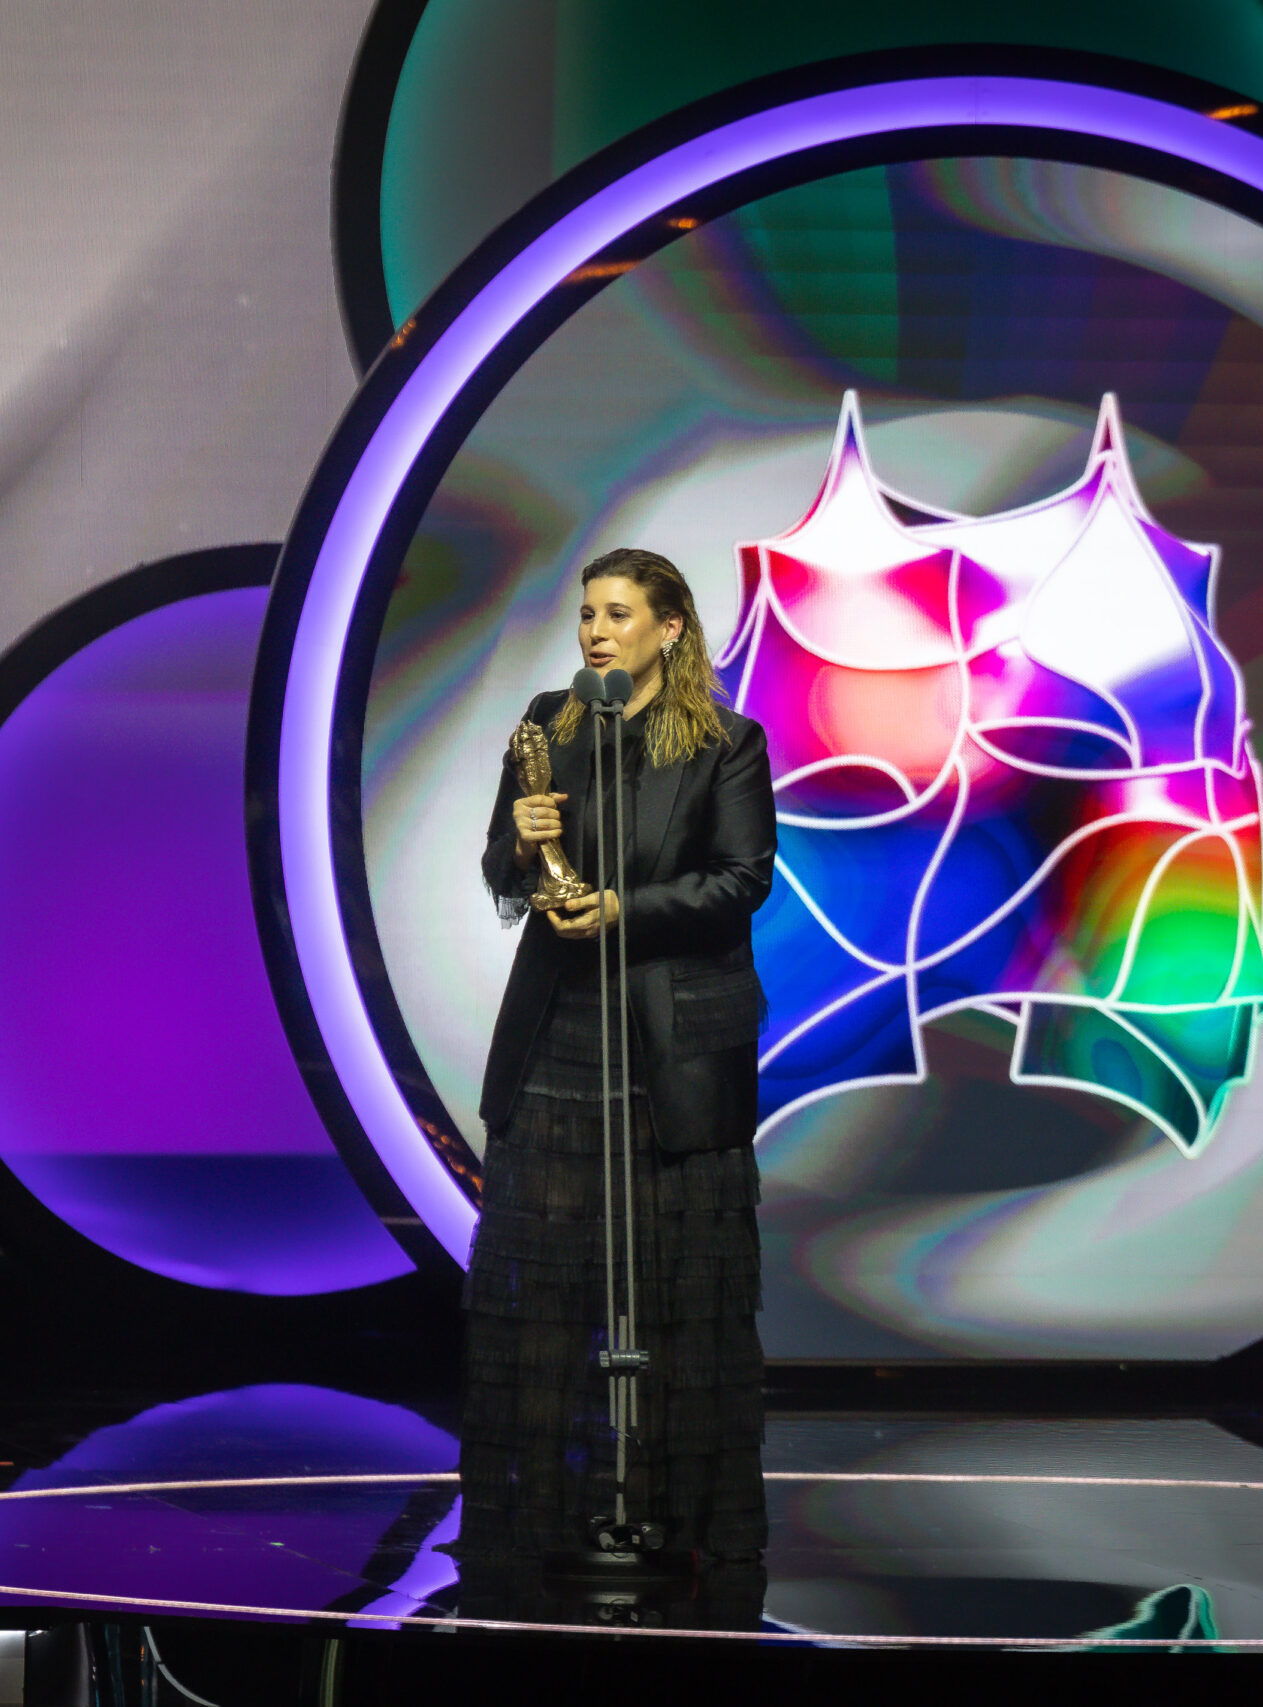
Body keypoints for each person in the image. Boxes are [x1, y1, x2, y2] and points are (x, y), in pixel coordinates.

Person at [455, 545, 776, 1602]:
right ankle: (537, 1518)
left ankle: (679, 1518)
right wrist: (520, 845)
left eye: (619, 613)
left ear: (669, 628)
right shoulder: (548, 724)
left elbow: (741, 880)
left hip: (672, 1038)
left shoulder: (726, 742)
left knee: (675, 1286)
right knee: (546, 1289)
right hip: (561, 1031)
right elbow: (504, 875)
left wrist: (623, 911)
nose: (596, 631)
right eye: (587, 613)